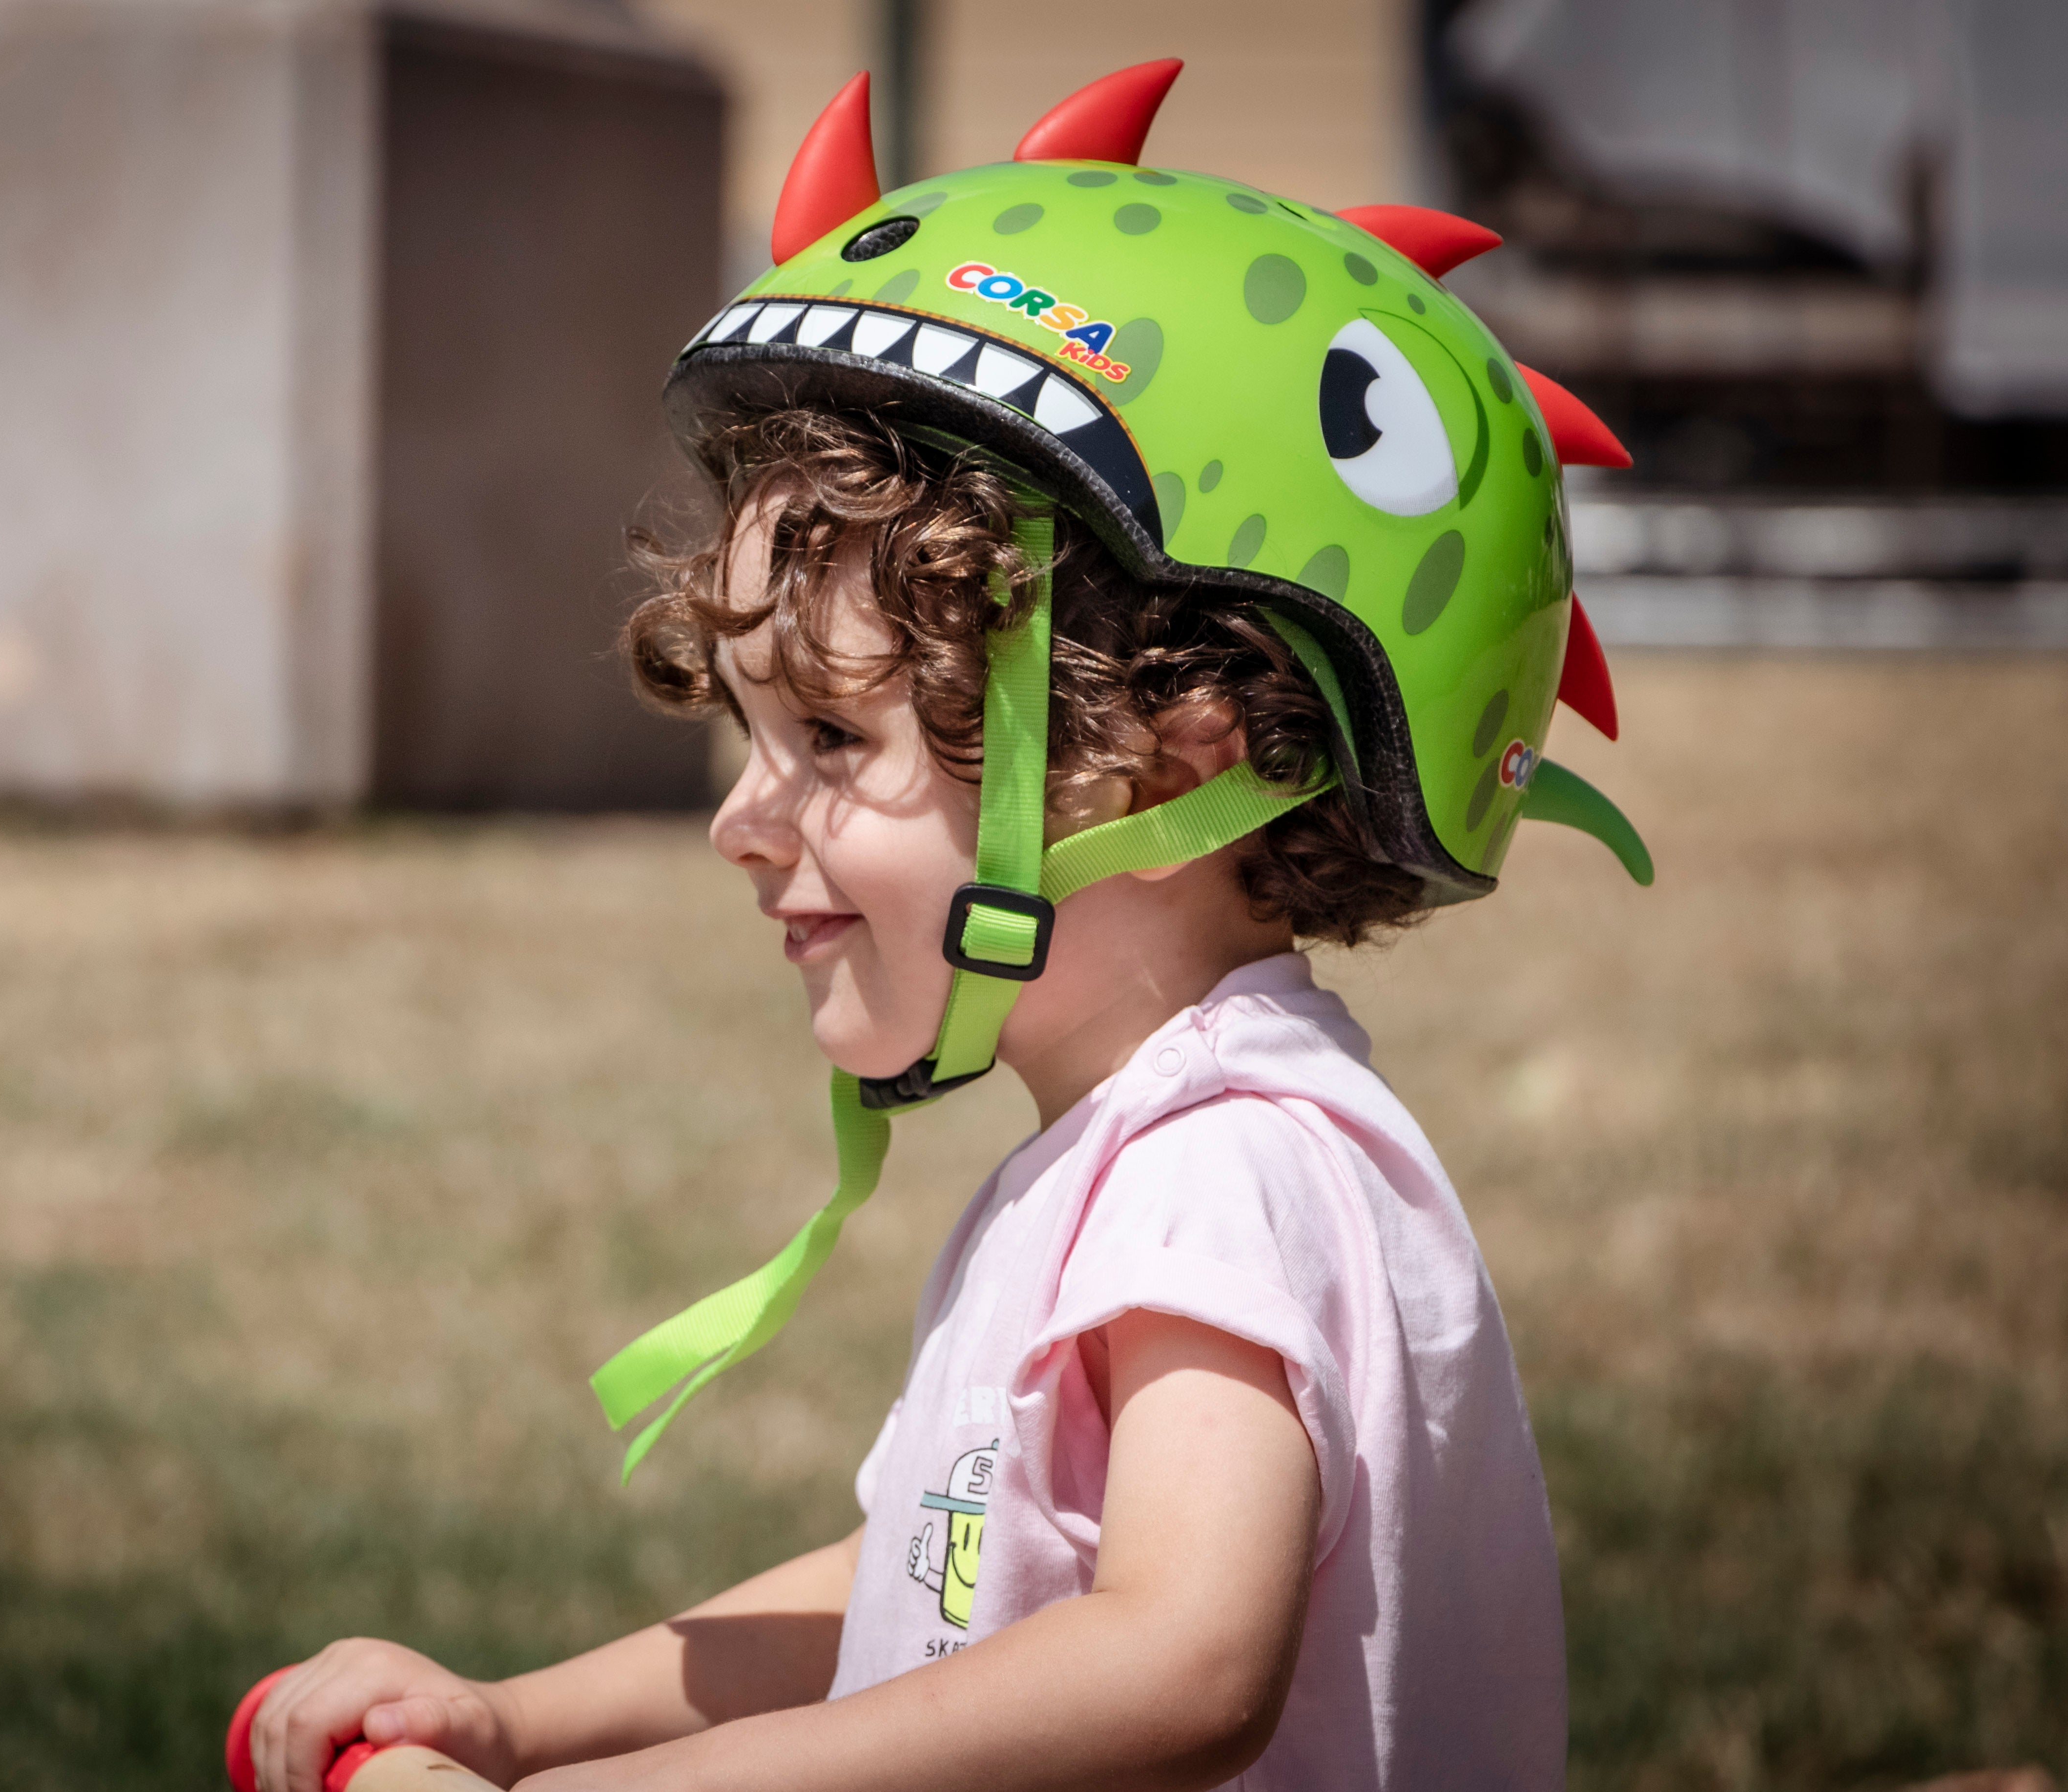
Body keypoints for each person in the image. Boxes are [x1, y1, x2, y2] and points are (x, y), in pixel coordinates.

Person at [248, 57, 1651, 1792]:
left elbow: (1175, 1658)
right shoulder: (1120, 1164)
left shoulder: (1225, 1173)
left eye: (832, 740)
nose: (738, 826)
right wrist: (518, 1724)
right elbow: (932, 1610)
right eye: (749, 740)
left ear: (1166, 760)